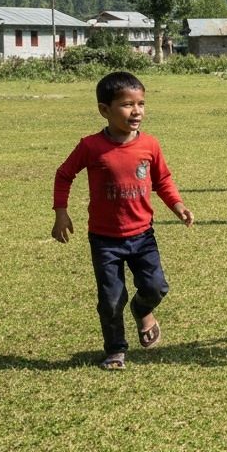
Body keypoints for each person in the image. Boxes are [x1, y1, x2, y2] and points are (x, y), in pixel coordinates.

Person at [51, 71, 194, 370]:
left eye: (141, 103)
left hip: (143, 235)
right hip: (104, 240)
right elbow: (64, 174)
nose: (137, 111)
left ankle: (143, 309)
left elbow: (163, 180)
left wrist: (178, 206)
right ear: (105, 110)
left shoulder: (150, 145)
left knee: (156, 287)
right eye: (127, 105)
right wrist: (61, 212)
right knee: (111, 299)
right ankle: (115, 349)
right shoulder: (90, 146)